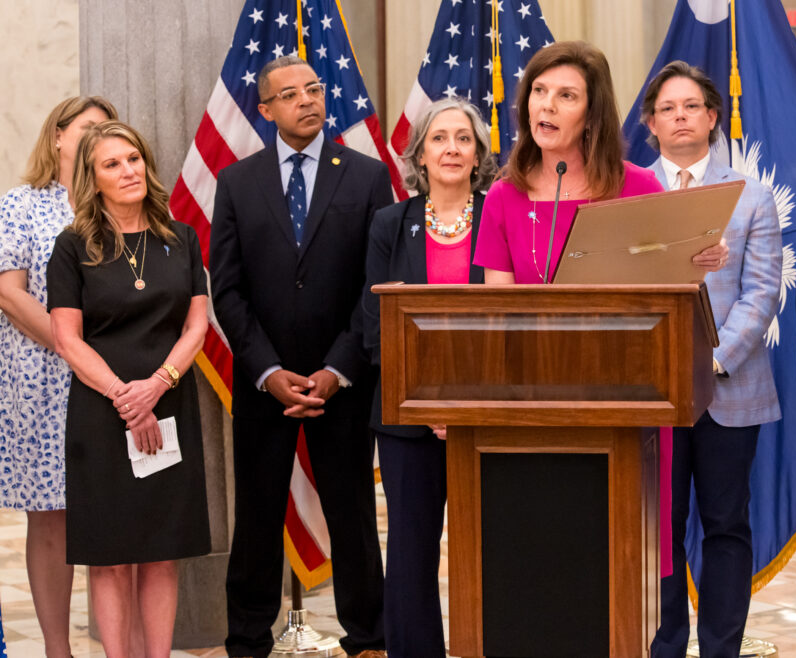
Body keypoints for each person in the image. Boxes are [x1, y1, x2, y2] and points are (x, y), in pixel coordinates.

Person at [210, 55, 389, 658]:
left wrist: (338, 369)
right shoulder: (237, 182)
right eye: (290, 94)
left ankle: (369, 638)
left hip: (344, 381)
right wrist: (266, 371)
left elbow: (375, 284)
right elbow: (226, 289)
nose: (307, 100)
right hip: (265, 383)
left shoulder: (366, 176)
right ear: (265, 110)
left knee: (353, 516)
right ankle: (247, 641)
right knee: (257, 517)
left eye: (314, 89)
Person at [47, 119, 211, 657]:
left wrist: (156, 386)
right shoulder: (73, 246)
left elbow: (196, 327)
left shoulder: (181, 238)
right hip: (102, 412)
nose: (128, 171)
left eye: (134, 158)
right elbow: (67, 339)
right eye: (112, 164)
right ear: (92, 179)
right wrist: (127, 397)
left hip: (170, 404)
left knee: (162, 552)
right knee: (111, 556)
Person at [640, 61, 783, 658]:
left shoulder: (750, 196)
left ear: (712, 117)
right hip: (651, 392)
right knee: (659, 530)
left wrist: (713, 361)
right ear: (650, 123)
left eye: (691, 106)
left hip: (729, 388)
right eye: (667, 108)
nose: (680, 117)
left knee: (727, 524)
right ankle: (666, 645)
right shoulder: (630, 192)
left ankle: (722, 647)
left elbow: (762, 291)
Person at [362, 97, 496, 657]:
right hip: (408, 419)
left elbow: (514, 319)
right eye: (439, 138)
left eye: (463, 139)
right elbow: (375, 324)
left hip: (489, 415)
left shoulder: (499, 217)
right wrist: (429, 403)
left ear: (479, 154)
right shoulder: (390, 224)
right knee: (411, 553)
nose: (451, 149)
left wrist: (463, 405)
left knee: (493, 548)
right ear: (419, 154)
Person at [0, 95, 116, 657]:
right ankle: (56, 649)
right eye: (88, 127)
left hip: (114, 376)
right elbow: (9, 292)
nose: (98, 137)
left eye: (107, 129)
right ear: (58, 137)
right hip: (41, 378)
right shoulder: (22, 204)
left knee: (111, 513)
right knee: (50, 517)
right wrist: (72, 348)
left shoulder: (117, 203)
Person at [473, 41, 725, 282]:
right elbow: (500, 306)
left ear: (592, 115)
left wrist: (708, 251)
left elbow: (679, 260)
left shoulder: (639, 188)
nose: (547, 105)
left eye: (566, 96)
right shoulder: (503, 197)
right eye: (539, 90)